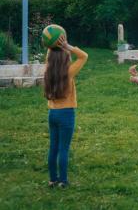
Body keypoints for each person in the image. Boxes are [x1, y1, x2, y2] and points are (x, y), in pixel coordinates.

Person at [44, 34, 88, 188]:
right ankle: (63, 181)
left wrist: (52, 44)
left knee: (53, 147)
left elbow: (50, 56)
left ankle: (52, 179)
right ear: (65, 58)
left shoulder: (48, 71)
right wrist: (67, 46)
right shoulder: (68, 72)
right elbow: (83, 56)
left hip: (52, 114)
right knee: (64, 148)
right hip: (66, 114)